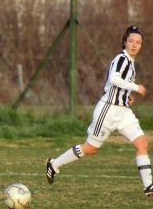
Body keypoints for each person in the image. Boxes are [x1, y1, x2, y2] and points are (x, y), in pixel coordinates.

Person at [46, 25, 153, 197]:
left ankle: (149, 186)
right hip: (108, 111)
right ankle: (54, 164)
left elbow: (115, 86)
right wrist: (136, 87)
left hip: (123, 112)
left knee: (142, 143)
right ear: (125, 42)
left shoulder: (131, 63)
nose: (134, 45)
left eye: (138, 42)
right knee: (90, 148)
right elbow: (114, 79)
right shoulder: (122, 59)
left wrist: (127, 97)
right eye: (131, 41)